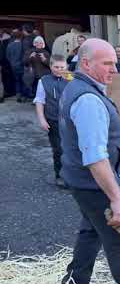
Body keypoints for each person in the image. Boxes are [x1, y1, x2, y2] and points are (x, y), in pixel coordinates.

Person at [59, 38, 120, 284]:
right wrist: (117, 199)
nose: (115, 69)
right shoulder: (89, 100)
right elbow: (96, 158)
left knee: (91, 231)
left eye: (115, 63)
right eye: (107, 63)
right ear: (86, 63)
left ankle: (74, 280)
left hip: (82, 182)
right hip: (96, 186)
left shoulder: (76, 87)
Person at [33, 54, 69, 188]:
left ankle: (76, 176)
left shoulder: (72, 79)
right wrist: (42, 120)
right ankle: (60, 175)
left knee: (73, 149)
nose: (59, 69)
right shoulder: (44, 81)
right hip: (53, 120)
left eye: (62, 67)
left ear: (66, 66)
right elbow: (39, 101)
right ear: (50, 66)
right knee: (58, 149)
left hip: (71, 121)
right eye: (56, 67)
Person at [6, 31, 29, 102]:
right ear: (21, 36)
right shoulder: (23, 44)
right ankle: (24, 96)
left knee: (17, 81)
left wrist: (12, 62)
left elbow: (7, 56)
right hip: (22, 65)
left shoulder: (9, 45)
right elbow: (26, 55)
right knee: (24, 81)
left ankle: (18, 95)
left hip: (13, 66)